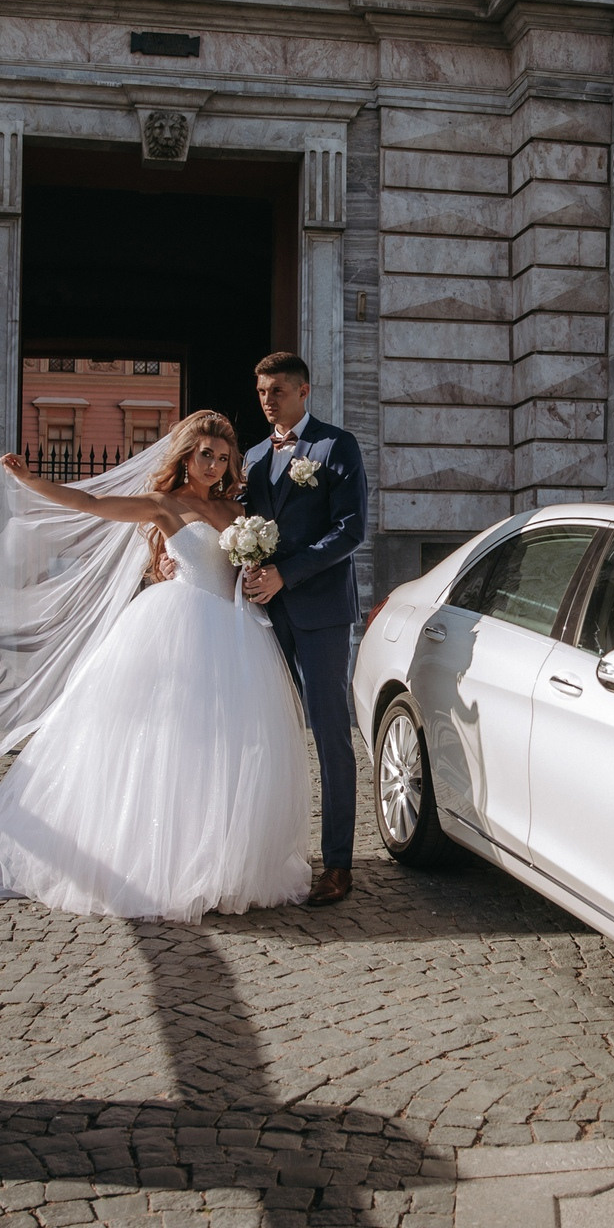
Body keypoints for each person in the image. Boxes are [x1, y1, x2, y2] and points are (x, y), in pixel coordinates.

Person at [0, 410, 312, 921]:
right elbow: (90, 503)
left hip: (238, 632)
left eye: (223, 458)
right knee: (169, 747)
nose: (215, 465)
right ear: (186, 454)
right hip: (180, 627)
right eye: (206, 454)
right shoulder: (163, 505)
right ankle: (165, 866)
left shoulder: (237, 509)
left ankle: (223, 865)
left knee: (228, 746)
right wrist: (29, 479)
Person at [238, 353, 370, 907]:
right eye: (262, 391)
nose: (268, 400)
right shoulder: (250, 456)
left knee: (330, 735)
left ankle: (338, 863)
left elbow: (350, 529)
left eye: (277, 391)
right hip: (262, 616)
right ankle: (267, 854)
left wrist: (284, 574)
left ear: (303, 391)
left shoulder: (336, 447)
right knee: (265, 732)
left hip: (318, 613)